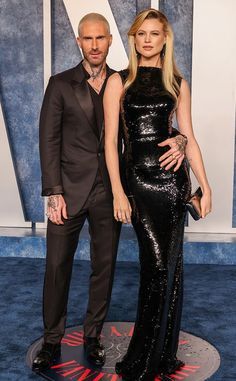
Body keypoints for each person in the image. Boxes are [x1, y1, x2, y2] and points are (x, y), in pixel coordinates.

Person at [32, 12, 187, 373]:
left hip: (112, 191)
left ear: (110, 41)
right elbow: (48, 141)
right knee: (57, 266)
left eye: (101, 38)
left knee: (104, 268)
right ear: (79, 43)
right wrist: (53, 192)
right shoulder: (59, 84)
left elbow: (151, 123)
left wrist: (179, 138)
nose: (95, 45)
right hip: (68, 192)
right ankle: (52, 341)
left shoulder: (125, 81)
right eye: (88, 39)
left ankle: (92, 337)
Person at [104, 8, 211, 381]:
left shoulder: (178, 83)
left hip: (173, 182)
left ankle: (160, 354)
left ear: (165, 39)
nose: (147, 39)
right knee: (157, 267)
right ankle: (144, 357)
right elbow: (110, 143)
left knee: (170, 267)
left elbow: (189, 137)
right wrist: (119, 192)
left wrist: (205, 184)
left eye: (154, 33)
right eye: (141, 34)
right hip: (138, 183)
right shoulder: (119, 82)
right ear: (133, 39)